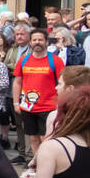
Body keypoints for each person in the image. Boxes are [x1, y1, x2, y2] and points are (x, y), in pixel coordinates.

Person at [13, 29, 65, 159]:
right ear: (30, 42)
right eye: (34, 40)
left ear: (47, 42)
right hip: (28, 107)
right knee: (33, 139)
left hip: (49, 107)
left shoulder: (56, 61)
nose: (37, 42)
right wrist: (15, 103)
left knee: (46, 139)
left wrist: (61, 104)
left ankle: (49, 162)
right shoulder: (23, 60)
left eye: (40, 40)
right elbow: (17, 82)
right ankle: (37, 162)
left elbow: (63, 84)